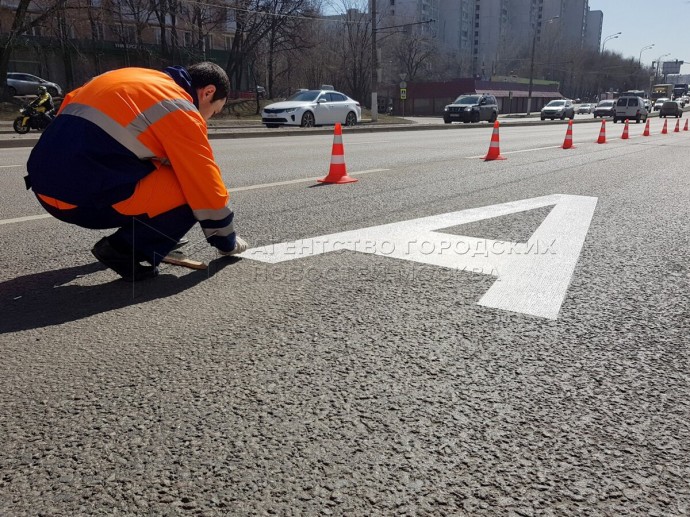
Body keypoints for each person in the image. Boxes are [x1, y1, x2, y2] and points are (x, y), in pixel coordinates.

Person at [26, 62, 247, 281]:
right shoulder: (180, 107)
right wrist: (227, 242)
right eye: (214, 111)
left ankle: (151, 235)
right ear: (208, 92)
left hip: (43, 189)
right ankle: (124, 249)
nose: (208, 118)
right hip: (78, 201)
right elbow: (205, 186)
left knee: (161, 168)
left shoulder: (130, 77)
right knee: (190, 187)